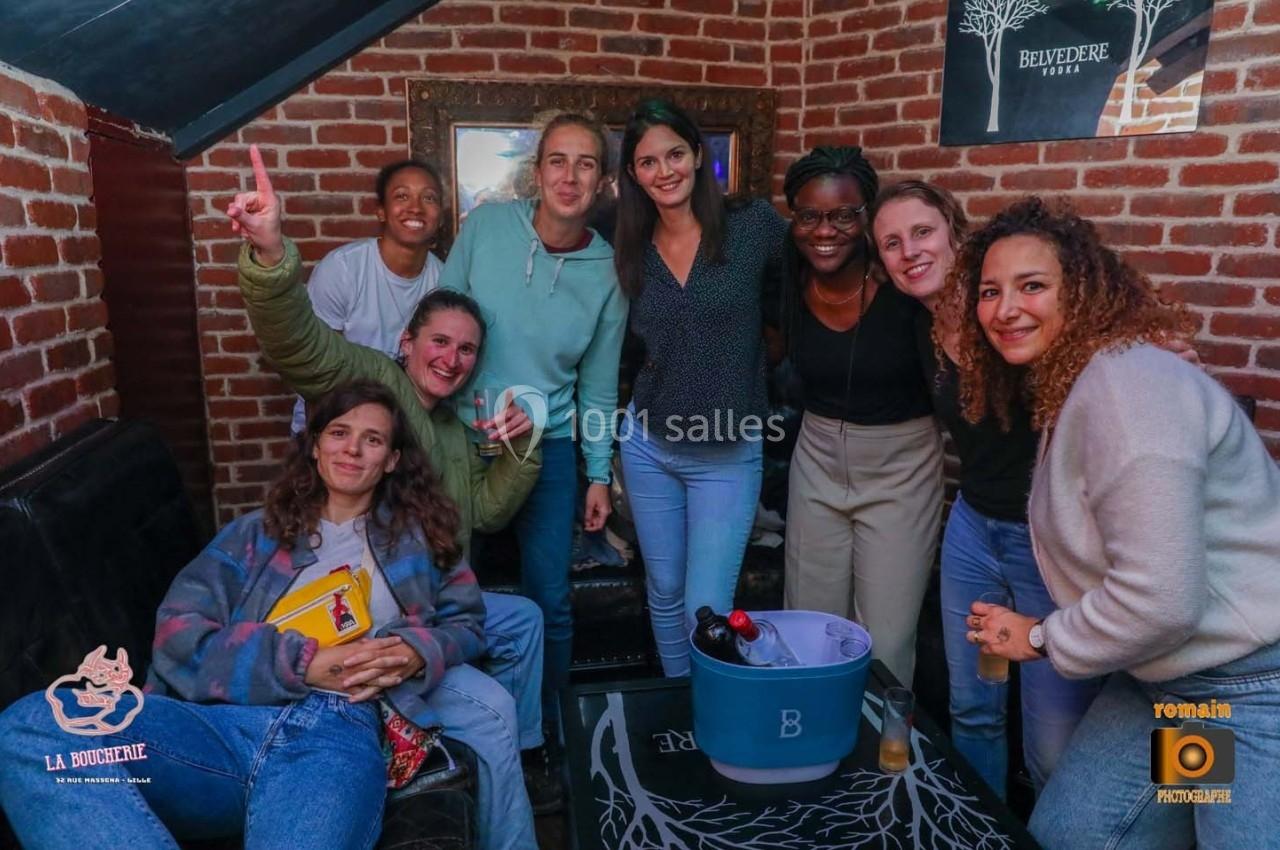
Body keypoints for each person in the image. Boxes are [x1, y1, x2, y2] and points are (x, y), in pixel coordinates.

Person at [0, 380, 536, 850]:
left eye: (372, 439)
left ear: (392, 459)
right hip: (218, 728)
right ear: (315, 447)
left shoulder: (420, 538)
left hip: (336, 733)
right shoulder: (255, 534)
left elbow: (466, 624)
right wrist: (302, 662)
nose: (353, 449)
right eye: (338, 433)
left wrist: (417, 652)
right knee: (30, 727)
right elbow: (178, 633)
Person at [223, 146, 561, 814]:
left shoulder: (456, 431)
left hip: (434, 600)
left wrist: (525, 446)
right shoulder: (372, 386)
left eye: (466, 349)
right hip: (376, 611)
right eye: (438, 342)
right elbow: (299, 343)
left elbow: (486, 517)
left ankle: (515, 760)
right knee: (487, 688)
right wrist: (268, 257)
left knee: (522, 618)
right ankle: (473, 754)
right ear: (406, 343)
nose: (452, 358)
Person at [953, 197, 1280, 848]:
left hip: (1247, 691)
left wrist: (1040, 638)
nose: (1005, 308)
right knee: (1076, 833)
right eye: (990, 291)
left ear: (1083, 291)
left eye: (1033, 285)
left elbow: (1160, 600)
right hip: (1167, 686)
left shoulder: (1128, 391)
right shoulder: (1083, 378)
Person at [870, 181, 1102, 798]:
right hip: (974, 530)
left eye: (922, 232)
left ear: (955, 233)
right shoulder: (918, 326)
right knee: (974, 708)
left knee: (1052, 742)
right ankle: (978, 830)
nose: (908, 252)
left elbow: (1102, 351)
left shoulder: (1009, 315)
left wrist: (1158, 350)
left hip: (1044, 543)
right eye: (891, 243)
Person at [439, 112, 628, 719]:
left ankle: (551, 731)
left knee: (551, 595)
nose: (570, 177)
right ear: (537, 172)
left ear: (602, 183)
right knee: (447, 590)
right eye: (558, 161)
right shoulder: (487, 229)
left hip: (546, 448)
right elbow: (439, 327)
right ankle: (462, 723)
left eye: (586, 164)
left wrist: (597, 474)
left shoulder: (608, 274)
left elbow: (598, 387)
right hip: (460, 439)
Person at [612, 99, 785, 677]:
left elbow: (800, 301)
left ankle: (713, 712)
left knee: (705, 609)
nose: (664, 171)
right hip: (648, 446)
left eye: (675, 154)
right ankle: (677, 701)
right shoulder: (628, 246)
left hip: (727, 456)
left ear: (698, 155)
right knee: (661, 591)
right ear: (633, 175)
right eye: (647, 162)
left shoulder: (753, 225)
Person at [778, 148, 942, 686]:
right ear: (794, 219)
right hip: (817, 462)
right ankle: (809, 745)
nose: (825, 230)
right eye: (809, 215)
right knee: (808, 626)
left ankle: (880, 762)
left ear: (867, 216)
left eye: (845, 214)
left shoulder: (906, 288)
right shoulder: (783, 280)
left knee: (886, 639)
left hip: (901, 467)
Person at [289, 159, 446, 433]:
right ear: (381, 211)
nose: (415, 207)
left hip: (404, 433)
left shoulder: (444, 280)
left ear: (440, 216)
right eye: (402, 196)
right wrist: (321, 443)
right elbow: (316, 368)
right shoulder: (344, 269)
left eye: (428, 197)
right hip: (331, 425)